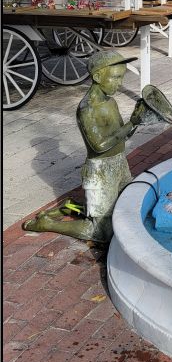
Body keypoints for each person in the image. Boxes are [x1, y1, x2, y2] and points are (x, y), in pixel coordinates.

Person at [23, 51, 142, 243]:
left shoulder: (111, 101)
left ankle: (72, 207)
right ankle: (47, 223)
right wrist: (131, 124)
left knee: (127, 202)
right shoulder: (87, 108)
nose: (119, 84)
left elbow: (122, 136)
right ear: (97, 76)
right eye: (116, 77)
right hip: (100, 170)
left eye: (122, 77)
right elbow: (99, 145)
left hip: (119, 163)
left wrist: (137, 121)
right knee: (101, 233)